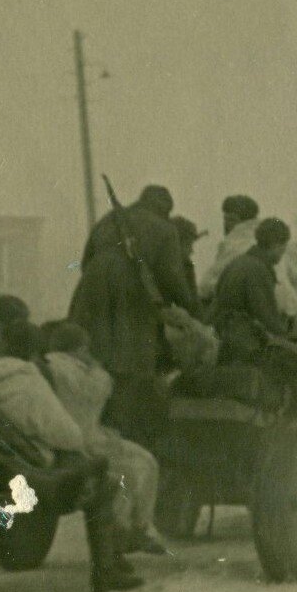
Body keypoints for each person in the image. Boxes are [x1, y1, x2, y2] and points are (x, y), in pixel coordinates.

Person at [0, 322, 142, 592]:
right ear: (31, 352)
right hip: (33, 476)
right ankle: (106, 570)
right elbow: (68, 434)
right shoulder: (28, 383)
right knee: (103, 481)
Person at [67, 184, 200, 450]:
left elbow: (85, 262)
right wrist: (192, 308)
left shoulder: (109, 219)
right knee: (129, 366)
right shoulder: (165, 229)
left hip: (89, 292)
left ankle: (88, 423)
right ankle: (123, 433)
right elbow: (171, 277)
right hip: (130, 296)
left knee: (89, 358)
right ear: (164, 209)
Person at [41, 320, 166, 559]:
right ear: (78, 348)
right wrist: (96, 368)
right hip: (87, 438)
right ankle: (135, 528)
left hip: (68, 436)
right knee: (143, 464)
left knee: (132, 466)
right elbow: (101, 390)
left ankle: (135, 527)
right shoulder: (82, 371)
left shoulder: (47, 365)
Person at [203, 195, 297, 318]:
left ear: (232, 219)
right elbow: (295, 278)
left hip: (255, 315)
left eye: (226, 220)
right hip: (288, 308)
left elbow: (207, 286)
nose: (224, 225)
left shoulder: (233, 243)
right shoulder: (269, 238)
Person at [209, 217, 294, 365]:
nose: (282, 254)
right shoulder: (257, 269)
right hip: (244, 343)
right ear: (275, 244)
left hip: (224, 337)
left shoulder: (238, 262)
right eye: (282, 248)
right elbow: (266, 316)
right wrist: (287, 334)